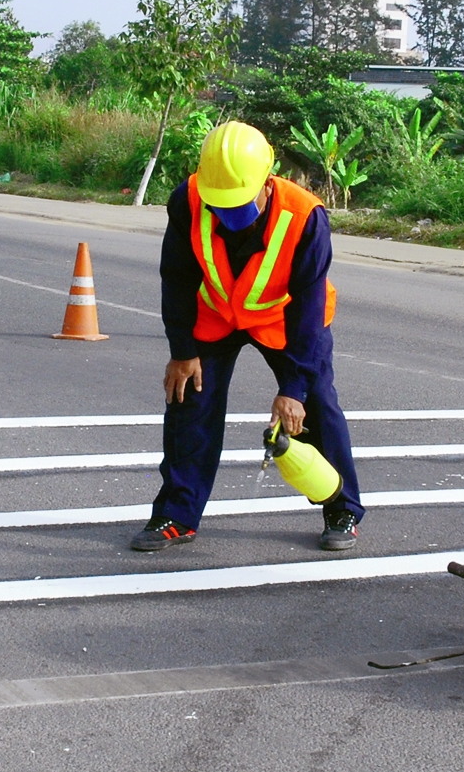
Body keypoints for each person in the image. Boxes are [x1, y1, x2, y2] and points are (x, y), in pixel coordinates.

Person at [135, 120, 363, 554]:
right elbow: (177, 278)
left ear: (267, 181)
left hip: (283, 318)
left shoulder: (305, 217)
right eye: (220, 203)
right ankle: (176, 515)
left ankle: (342, 507)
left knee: (316, 404)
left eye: (239, 202)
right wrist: (182, 351)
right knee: (189, 398)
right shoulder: (188, 200)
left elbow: (308, 306)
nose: (228, 213)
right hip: (218, 313)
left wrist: (293, 388)